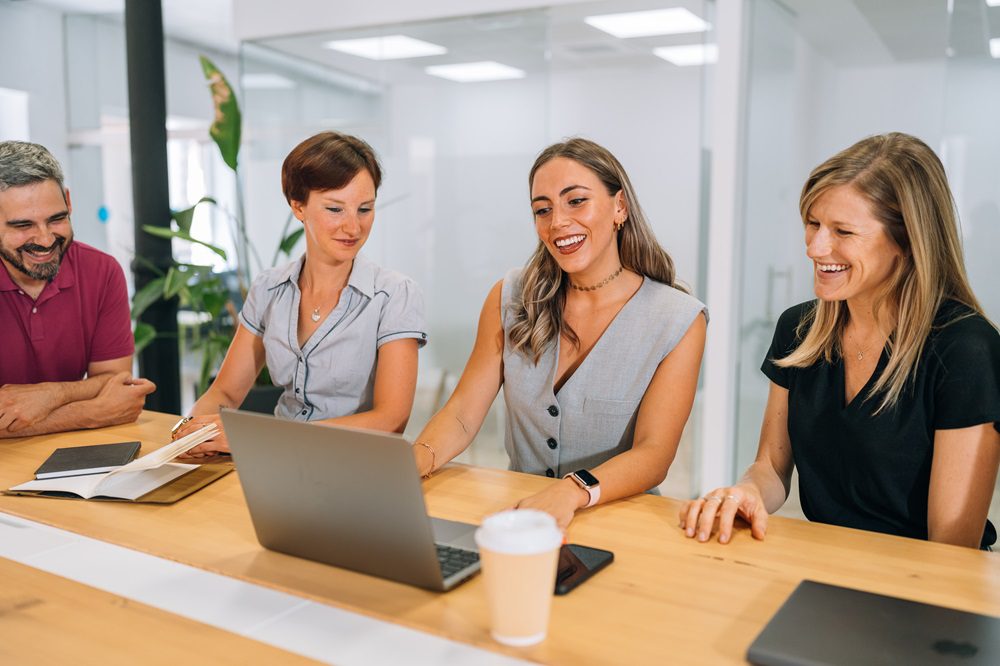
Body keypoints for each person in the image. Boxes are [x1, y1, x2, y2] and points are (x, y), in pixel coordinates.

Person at [681, 132, 1000, 549]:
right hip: (825, 566)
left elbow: (951, 547)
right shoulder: (798, 330)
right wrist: (748, 492)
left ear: (905, 241)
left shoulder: (966, 349)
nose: (815, 248)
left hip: (920, 587)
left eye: (843, 231)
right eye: (813, 224)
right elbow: (772, 467)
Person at [412, 138, 707, 529]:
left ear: (620, 207)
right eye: (542, 209)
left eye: (576, 201)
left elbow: (654, 453)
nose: (557, 223)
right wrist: (417, 459)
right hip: (518, 516)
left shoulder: (677, 318)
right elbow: (464, 414)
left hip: (619, 520)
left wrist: (572, 491)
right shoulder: (510, 297)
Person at [175, 132, 426, 455]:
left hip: (355, 465)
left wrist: (267, 438)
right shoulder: (269, 289)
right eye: (335, 209)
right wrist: (192, 431)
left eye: (364, 209)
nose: (353, 227)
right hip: (273, 460)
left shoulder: (394, 295)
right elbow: (224, 392)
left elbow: (391, 419)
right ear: (298, 206)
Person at [0, 141, 155, 437]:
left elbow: (115, 380)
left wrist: (49, 395)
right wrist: (92, 412)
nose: (45, 240)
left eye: (56, 219)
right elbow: (108, 404)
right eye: (23, 226)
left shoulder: (102, 271)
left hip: (72, 461)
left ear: (69, 202)